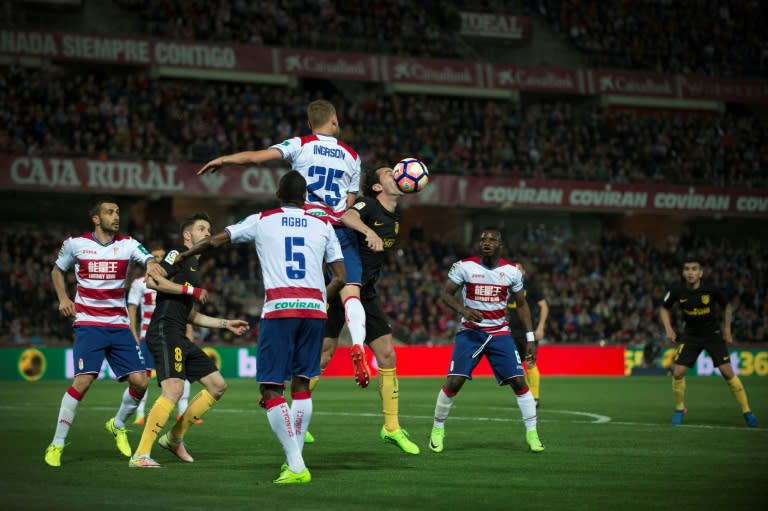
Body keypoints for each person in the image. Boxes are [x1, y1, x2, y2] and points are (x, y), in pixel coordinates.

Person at [176, 171, 346, 483]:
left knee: (271, 388)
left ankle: (296, 465)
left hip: (280, 310)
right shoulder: (323, 224)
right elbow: (340, 277)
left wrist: (186, 253)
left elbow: (217, 240)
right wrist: (321, 302)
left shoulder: (263, 219)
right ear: (305, 196)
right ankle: (295, 461)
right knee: (302, 385)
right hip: (313, 312)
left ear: (279, 193)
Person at [197, 99, 372, 388]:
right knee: (351, 291)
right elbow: (349, 204)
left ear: (309, 123)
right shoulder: (351, 155)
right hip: (337, 227)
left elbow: (257, 158)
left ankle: (281, 368)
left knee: (299, 294)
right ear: (334, 120)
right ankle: (358, 344)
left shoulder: (300, 144)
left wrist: (225, 159)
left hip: (307, 226)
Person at [44, 197, 165, 467]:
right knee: (83, 382)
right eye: (109, 212)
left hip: (119, 325)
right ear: (96, 219)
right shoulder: (76, 244)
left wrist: (149, 264)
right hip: (89, 324)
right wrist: (64, 298)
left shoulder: (128, 244)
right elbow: (56, 270)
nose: (116, 216)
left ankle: (118, 424)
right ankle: (57, 443)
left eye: (118, 212)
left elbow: (145, 256)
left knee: (141, 382)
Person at [129, 213, 249, 468]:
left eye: (209, 229)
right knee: (173, 389)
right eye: (202, 229)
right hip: (163, 330)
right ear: (187, 236)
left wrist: (227, 323)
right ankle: (141, 454)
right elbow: (152, 281)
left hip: (179, 332)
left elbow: (191, 314)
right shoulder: (177, 255)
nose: (207, 233)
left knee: (217, 385)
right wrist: (189, 290)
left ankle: (174, 438)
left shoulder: (193, 267)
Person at [313, 167, 419, 454]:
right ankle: (295, 417)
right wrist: (368, 230)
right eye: (388, 172)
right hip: (341, 282)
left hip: (367, 290)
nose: (396, 174)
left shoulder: (396, 215)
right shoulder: (368, 203)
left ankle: (392, 427)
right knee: (323, 355)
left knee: (387, 354)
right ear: (376, 186)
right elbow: (346, 215)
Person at [428, 228, 544, 454]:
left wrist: (530, 338)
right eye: (483, 239)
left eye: (492, 240)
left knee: (519, 382)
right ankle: (437, 428)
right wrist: (463, 310)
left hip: (500, 333)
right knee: (454, 382)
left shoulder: (511, 272)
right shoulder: (465, 267)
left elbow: (522, 305)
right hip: (471, 332)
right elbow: (445, 294)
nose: (486, 243)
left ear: (500, 245)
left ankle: (532, 433)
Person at [659, 255, 758, 427]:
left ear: (701, 273)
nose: (690, 272)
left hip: (712, 334)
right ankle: (679, 409)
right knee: (677, 372)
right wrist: (668, 328)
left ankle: (747, 411)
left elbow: (727, 306)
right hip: (690, 335)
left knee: (727, 372)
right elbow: (663, 308)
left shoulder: (711, 289)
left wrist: (727, 329)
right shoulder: (676, 290)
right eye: (687, 269)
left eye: (694, 269)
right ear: (683, 272)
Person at [127, 251, 201, 427]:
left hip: (173, 333)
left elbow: (185, 310)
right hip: (148, 335)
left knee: (180, 374)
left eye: (162, 255)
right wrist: (133, 334)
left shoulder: (174, 280)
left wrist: (188, 331)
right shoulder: (139, 284)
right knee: (143, 377)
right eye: (155, 256)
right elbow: (132, 310)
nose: (159, 258)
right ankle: (139, 413)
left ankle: (183, 412)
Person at [506, 264, 549, 407]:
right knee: (515, 367)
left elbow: (544, 306)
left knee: (530, 363)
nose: (516, 271)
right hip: (512, 334)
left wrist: (540, 327)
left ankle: (535, 398)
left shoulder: (531, 287)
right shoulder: (508, 289)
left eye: (519, 269)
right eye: (514, 269)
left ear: (524, 272)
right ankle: (525, 395)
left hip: (528, 334)